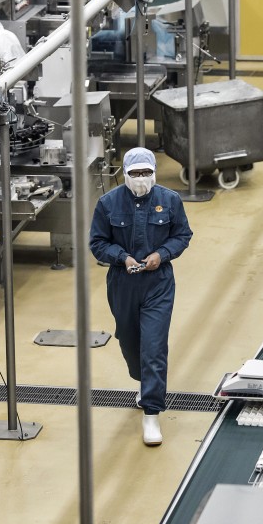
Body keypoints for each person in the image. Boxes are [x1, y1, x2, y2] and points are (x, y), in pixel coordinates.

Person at [89, 147, 192, 446]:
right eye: (135, 173)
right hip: (123, 283)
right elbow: (97, 242)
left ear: (155, 172)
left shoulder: (169, 200)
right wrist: (122, 257)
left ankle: (151, 413)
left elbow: (182, 235)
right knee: (129, 340)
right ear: (125, 173)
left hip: (158, 283)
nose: (141, 178)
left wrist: (163, 253)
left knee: (154, 347)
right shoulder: (108, 203)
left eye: (147, 172)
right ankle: (143, 380)